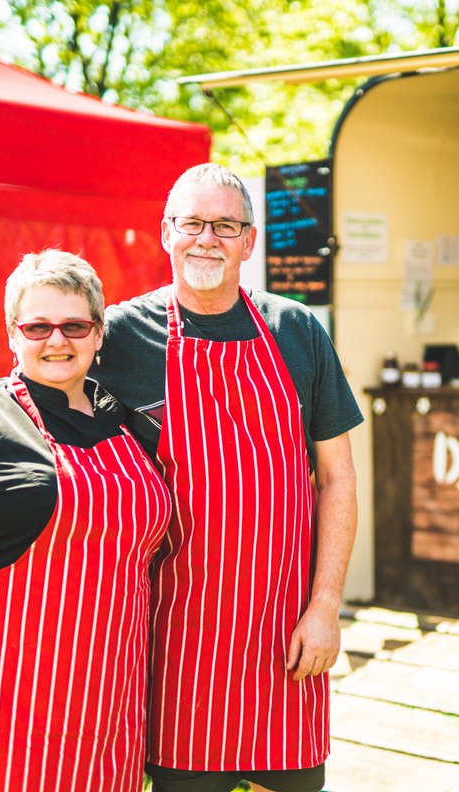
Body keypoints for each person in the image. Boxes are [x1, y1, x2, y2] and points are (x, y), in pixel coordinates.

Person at [95, 163, 362, 792]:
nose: (206, 239)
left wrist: (326, 606)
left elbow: (338, 478)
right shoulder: (118, 336)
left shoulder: (297, 330)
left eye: (225, 225)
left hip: (286, 633)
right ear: (166, 232)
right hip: (176, 639)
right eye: (192, 223)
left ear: (250, 241)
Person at [0, 250, 172, 791]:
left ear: (98, 335)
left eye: (75, 326)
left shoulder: (133, 428)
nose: (57, 340)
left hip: (109, 701)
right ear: (12, 335)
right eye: (38, 327)